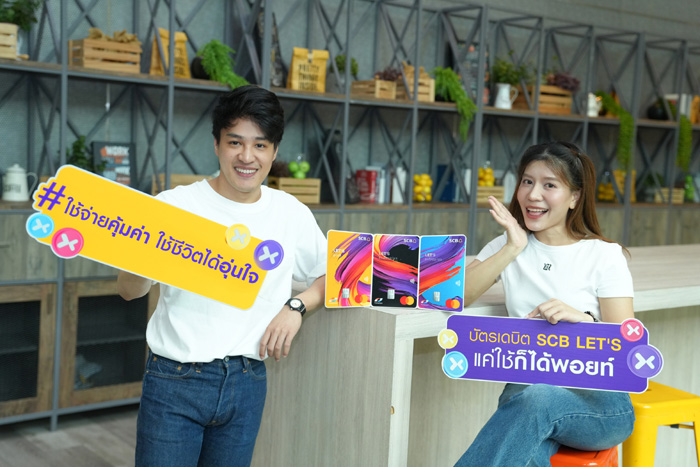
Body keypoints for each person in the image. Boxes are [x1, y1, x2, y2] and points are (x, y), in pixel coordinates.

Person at [118, 85, 327, 467]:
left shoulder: (290, 212)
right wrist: (138, 258)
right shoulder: (174, 206)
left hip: (247, 382)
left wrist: (296, 307)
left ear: (274, 152)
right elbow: (128, 291)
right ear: (216, 145)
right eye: (235, 142)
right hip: (175, 381)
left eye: (260, 145)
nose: (247, 157)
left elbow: (336, 273)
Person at [454, 141, 635, 467]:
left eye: (549, 185)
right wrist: (513, 248)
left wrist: (585, 321)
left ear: (575, 197)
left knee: (535, 400)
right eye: (527, 181)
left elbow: (628, 349)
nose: (533, 194)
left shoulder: (604, 255)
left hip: (599, 404)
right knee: (529, 445)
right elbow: (458, 295)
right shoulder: (507, 245)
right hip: (526, 394)